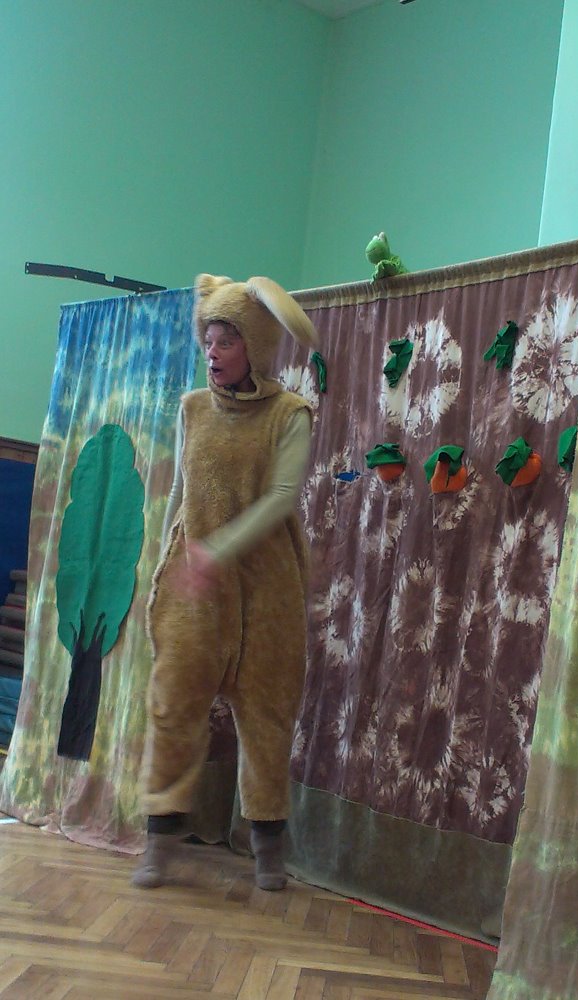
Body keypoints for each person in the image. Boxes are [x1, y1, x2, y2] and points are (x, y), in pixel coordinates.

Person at [132, 272, 318, 891]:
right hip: (194, 586)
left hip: (268, 590)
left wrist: (220, 550)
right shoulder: (192, 409)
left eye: (226, 342)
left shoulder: (290, 414)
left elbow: (282, 497)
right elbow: (180, 496)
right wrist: (167, 564)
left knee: (266, 717)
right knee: (172, 705)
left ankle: (268, 848)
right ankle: (159, 842)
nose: (212, 354)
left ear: (255, 347)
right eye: (207, 342)